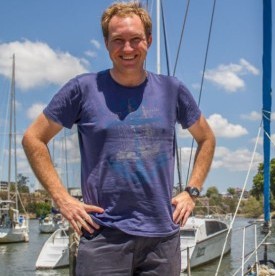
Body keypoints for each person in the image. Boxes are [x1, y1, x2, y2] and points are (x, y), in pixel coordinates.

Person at [22, 2, 215, 275]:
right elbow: (33, 138)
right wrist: (62, 199)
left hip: (162, 238)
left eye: (135, 39)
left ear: (148, 40)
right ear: (106, 43)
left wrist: (191, 192)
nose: (127, 49)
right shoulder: (83, 89)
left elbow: (206, 138)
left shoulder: (172, 90)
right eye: (118, 41)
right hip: (103, 236)